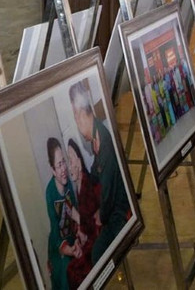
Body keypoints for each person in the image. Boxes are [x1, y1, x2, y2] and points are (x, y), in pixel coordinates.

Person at [70, 81, 130, 263]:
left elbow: (108, 194)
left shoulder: (103, 143)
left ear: (81, 115)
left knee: (96, 254)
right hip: (110, 208)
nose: (76, 123)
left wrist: (100, 216)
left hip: (119, 212)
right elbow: (95, 176)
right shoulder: (96, 139)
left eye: (75, 117)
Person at [65, 139, 101, 288]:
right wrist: (79, 238)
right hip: (89, 241)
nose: (69, 166)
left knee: (72, 271)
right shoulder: (78, 189)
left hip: (97, 241)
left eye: (71, 160)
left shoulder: (87, 185)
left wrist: (77, 217)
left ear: (79, 163)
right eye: (67, 161)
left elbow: (94, 224)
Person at [45, 137, 79, 290]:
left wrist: (78, 238)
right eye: (59, 165)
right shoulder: (50, 193)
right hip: (59, 246)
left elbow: (76, 213)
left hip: (73, 238)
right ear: (53, 170)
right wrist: (68, 250)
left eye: (64, 162)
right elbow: (55, 229)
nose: (64, 168)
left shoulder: (69, 184)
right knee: (66, 270)